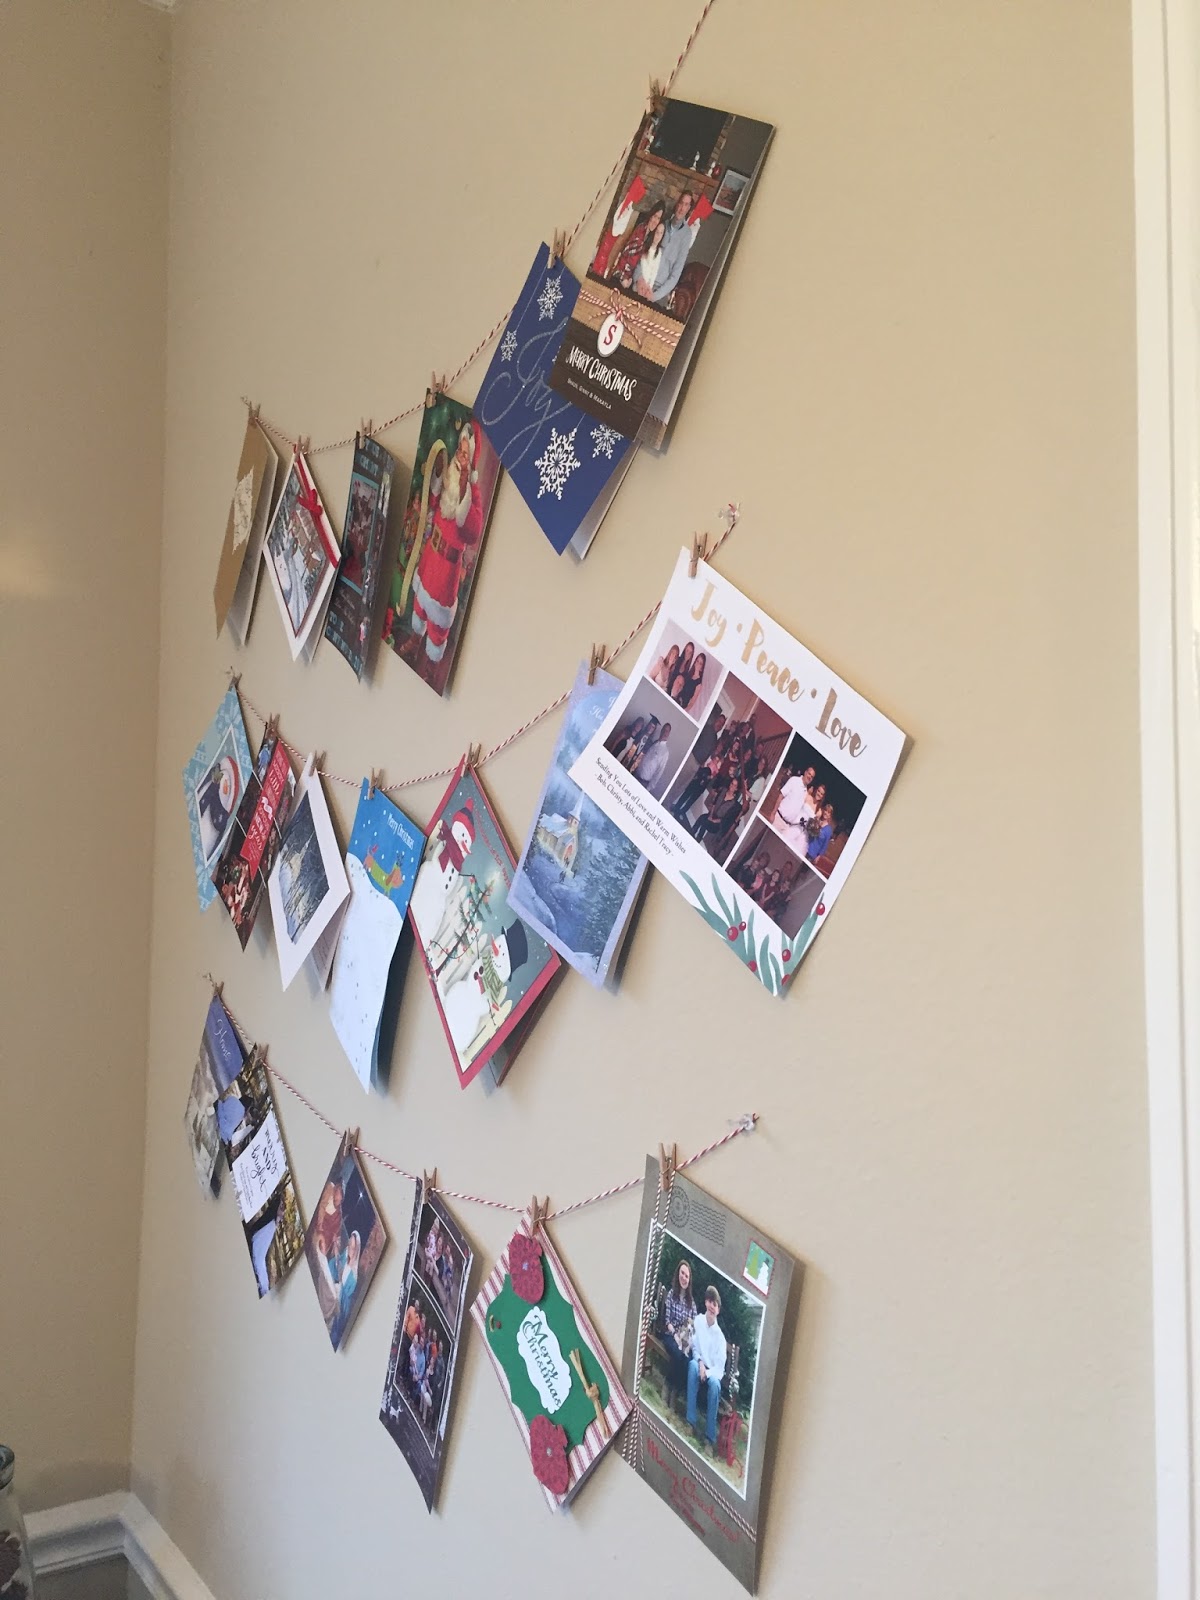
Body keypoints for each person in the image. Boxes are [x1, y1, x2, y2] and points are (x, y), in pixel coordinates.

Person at [408, 416, 487, 669]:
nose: (461, 457)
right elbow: (432, 503)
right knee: (420, 603)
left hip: (447, 569)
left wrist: (464, 486)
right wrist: (437, 474)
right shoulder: (448, 479)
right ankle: (413, 640)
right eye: (460, 451)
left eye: (466, 453)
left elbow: (472, 531)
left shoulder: (472, 494)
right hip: (431, 555)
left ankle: (430, 663)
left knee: (438, 622)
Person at [640, 190, 701, 305]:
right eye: (681, 203)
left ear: (688, 209)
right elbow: (644, 252)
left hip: (659, 290)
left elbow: (675, 274)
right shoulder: (662, 224)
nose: (681, 208)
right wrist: (640, 280)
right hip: (644, 281)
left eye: (686, 205)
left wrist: (655, 296)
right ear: (677, 204)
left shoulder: (686, 235)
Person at [686, 1287, 728, 1453]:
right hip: (700, 1364)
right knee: (692, 1366)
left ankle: (709, 1438)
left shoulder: (720, 1338)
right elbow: (695, 1347)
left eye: (715, 1304)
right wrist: (700, 1363)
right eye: (710, 1302)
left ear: (718, 1310)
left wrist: (707, 1372)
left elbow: (719, 1368)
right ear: (705, 1302)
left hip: (713, 1373)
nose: (712, 1306)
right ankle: (691, 1422)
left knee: (715, 1386)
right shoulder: (698, 1321)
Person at [669, 712, 727, 821]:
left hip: (697, 765)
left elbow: (709, 753)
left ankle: (669, 804)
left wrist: (705, 763)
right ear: (716, 720)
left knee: (683, 785)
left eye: (722, 724)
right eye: (719, 721)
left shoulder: (715, 738)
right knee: (678, 780)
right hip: (691, 757)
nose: (720, 724)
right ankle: (665, 800)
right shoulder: (706, 728)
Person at [661, 1259, 696, 1407]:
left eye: (687, 1276)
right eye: (682, 1273)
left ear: (689, 1280)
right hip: (670, 1335)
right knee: (678, 1354)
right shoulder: (671, 1294)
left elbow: (694, 1326)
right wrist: (675, 1335)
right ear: (678, 1274)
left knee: (688, 1360)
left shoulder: (691, 1303)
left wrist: (686, 1340)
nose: (684, 1278)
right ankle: (667, 1385)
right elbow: (667, 1320)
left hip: (685, 1341)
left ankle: (674, 1391)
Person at [321, 1229, 361, 1347]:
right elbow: (335, 1265)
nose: (350, 1250)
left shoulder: (353, 1276)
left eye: (353, 1248)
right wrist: (335, 1249)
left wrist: (339, 1288)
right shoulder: (344, 1256)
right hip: (334, 1289)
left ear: (356, 1250)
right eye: (349, 1245)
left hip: (341, 1303)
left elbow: (346, 1295)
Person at [612, 202, 667, 288]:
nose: (655, 221)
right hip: (621, 274)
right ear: (651, 215)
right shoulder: (641, 229)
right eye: (655, 216)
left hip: (634, 280)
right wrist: (623, 278)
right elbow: (627, 255)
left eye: (658, 218)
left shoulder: (652, 238)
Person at [772, 763, 818, 851]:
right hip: (778, 819)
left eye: (812, 777)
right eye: (809, 774)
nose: (809, 777)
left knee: (776, 849)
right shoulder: (794, 780)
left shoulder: (805, 792)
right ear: (805, 772)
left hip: (787, 827)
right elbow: (781, 795)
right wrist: (773, 813)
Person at [694, 777, 742, 855]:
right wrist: (711, 815)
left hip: (719, 824)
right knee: (703, 818)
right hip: (713, 815)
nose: (732, 786)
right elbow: (714, 803)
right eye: (731, 783)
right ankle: (695, 834)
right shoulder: (723, 791)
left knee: (704, 820)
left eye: (734, 785)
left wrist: (714, 820)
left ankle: (698, 837)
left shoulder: (734, 804)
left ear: (736, 789)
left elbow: (726, 819)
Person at [634, 721, 673, 797]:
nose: (665, 732)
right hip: (636, 775)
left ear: (669, 733)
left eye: (667, 731)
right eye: (664, 729)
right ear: (661, 730)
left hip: (644, 783)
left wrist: (648, 788)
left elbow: (659, 772)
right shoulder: (654, 743)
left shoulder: (665, 752)